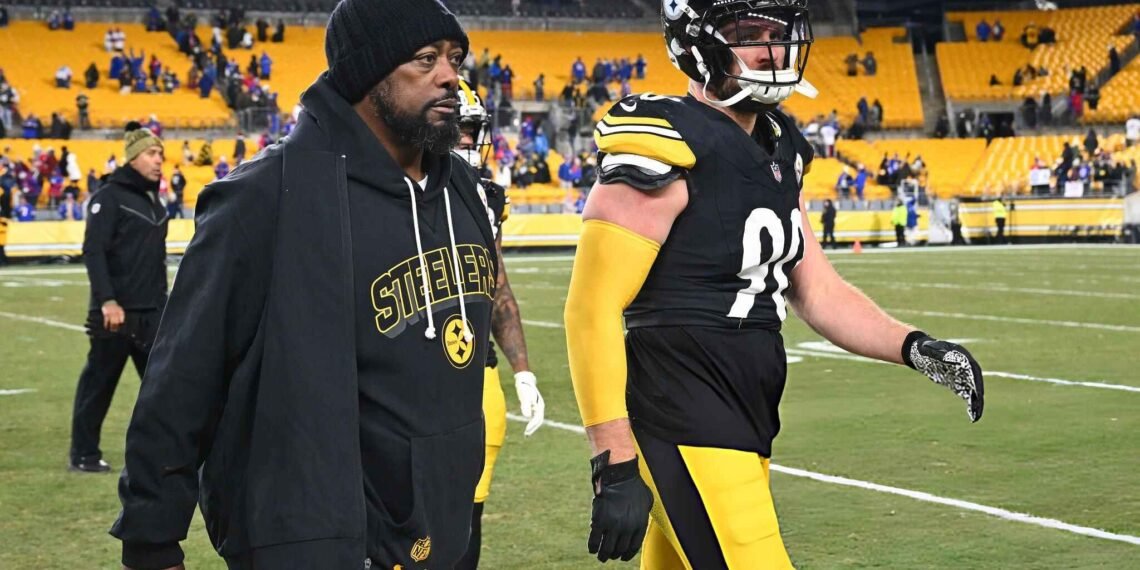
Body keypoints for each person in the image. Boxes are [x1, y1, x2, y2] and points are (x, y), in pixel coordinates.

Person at [563, 2, 985, 567]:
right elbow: (591, 309)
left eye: (776, 33)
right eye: (747, 34)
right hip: (682, 415)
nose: (770, 49)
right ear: (698, 43)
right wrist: (612, 462)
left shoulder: (779, 145)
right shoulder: (662, 140)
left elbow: (817, 290)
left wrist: (915, 345)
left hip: (746, 415)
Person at [110, 2, 500, 569]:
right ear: (369, 74)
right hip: (312, 539)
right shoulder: (265, 196)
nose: (450, 75)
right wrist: (152, 537)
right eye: (425, 59)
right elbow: (181, 380)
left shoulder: (461, 188)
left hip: (439, 533)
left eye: (454, 58)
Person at [452, 78, 546, 570]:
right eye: (462, 130)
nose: (471, 141)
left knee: (470, 514)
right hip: (410, 374)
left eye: (474, 131)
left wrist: (523, 370)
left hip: (478, 372)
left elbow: (498, 286)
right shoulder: (388, 188)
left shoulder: (487, 197)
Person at [69, 124, 169, 474]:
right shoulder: (108, 197)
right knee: (98, 386)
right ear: (133, 158)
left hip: (152, 313)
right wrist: (108, 301)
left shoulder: (155, 201)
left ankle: (166, 453)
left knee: (165, 388)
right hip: (115, 313)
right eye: (151, 154)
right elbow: (94, 252)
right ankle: (83, 454)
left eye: (161, 155)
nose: (159, 161)